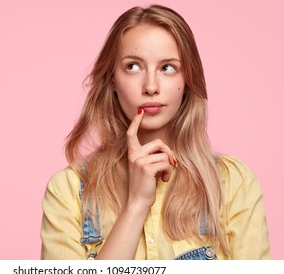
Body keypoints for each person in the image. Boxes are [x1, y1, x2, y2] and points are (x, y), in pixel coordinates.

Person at [40, 4, 270, 260]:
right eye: (133, 67)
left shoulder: (232, 183)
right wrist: (136, 205)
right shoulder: (68, 191)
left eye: (168, 68)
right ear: (112, 79)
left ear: (187, 81)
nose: (151, 87)